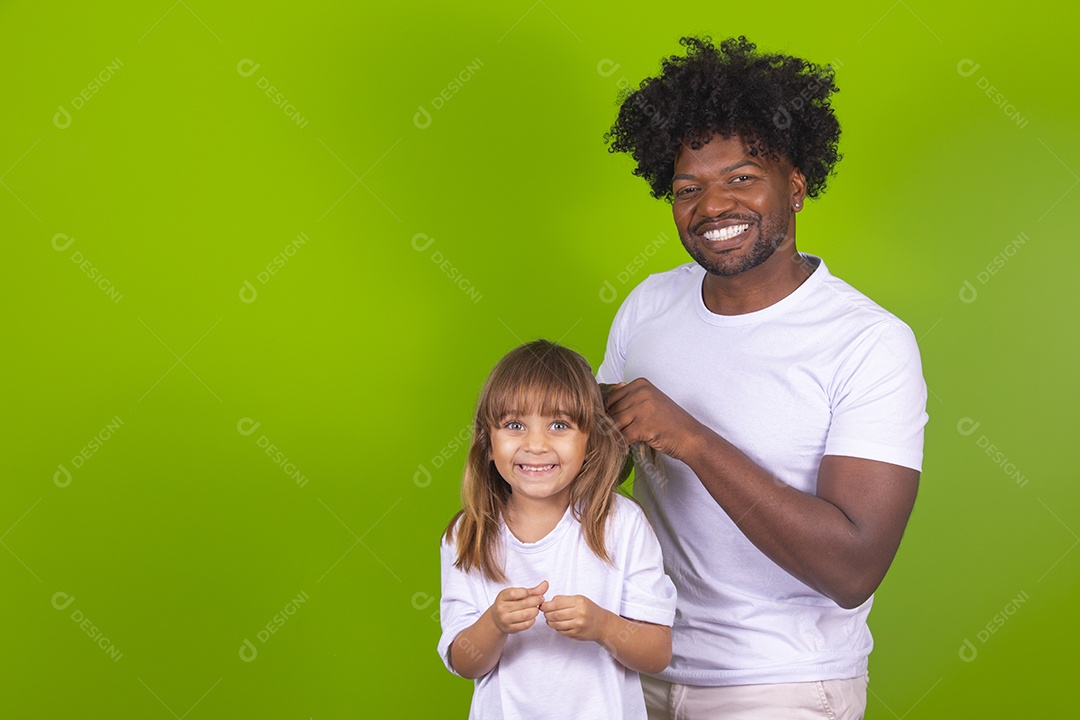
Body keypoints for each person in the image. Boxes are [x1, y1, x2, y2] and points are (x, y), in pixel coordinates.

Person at [598, 36, 929, 719]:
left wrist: (692, 439)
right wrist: (555, 431)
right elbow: (607, 470)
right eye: (687, 188)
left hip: (779, 686)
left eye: (743, 178)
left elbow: (852, 567)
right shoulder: (649, 305)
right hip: (635, 661)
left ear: (798, 187)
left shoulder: (869, 343)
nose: (713, 206)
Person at [439, 339, 678, 719]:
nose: (536, 444)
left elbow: (657, 652)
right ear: (487, 442)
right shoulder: (469, 534)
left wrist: (602, 626)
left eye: (559, 425)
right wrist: (495, 623)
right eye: (515, 425)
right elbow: (465, 661)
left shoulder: (622, 524)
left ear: (590, 442)